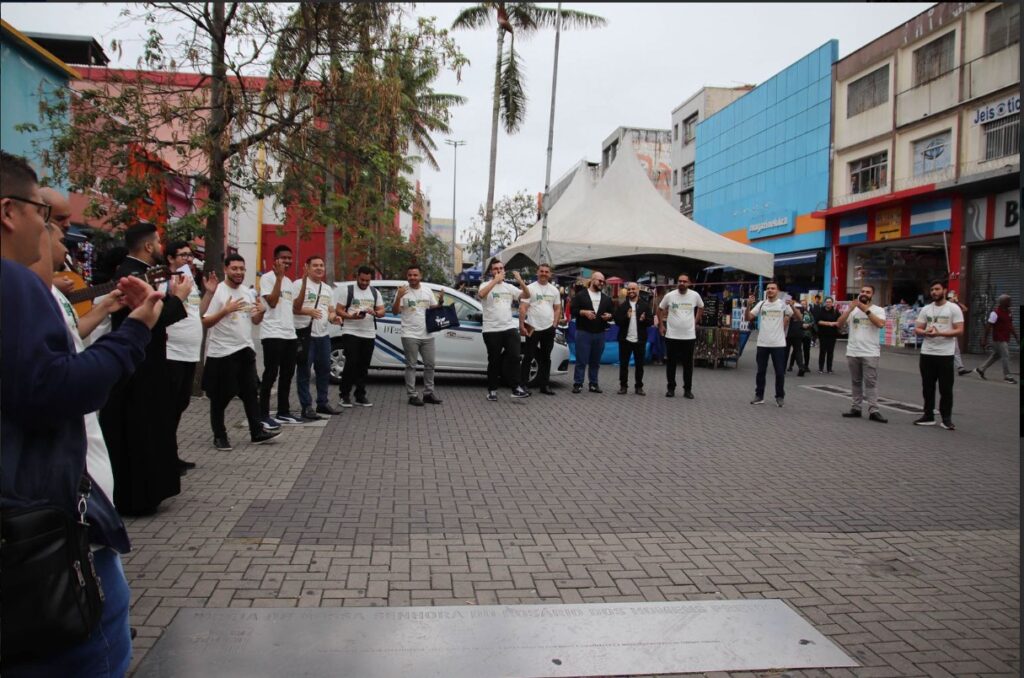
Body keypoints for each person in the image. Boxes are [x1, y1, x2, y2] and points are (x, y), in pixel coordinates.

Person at [2, 149, 162, 677]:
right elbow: (55, 388)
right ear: (9, 212)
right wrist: (136, 332)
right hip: (41, 536)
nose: (52, 231)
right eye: (43, 215)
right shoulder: (16, 283)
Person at [99, 222, 189, 516]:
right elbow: (151, 318)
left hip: (146, 362)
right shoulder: (130, 275)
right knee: (140, 430)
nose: (162, 247)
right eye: (159, 241)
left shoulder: (135, 271)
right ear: (149, 246)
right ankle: (138, 495)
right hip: (139, 366)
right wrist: (179, 298)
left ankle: (147, 491)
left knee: (150, 426)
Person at [202, 253, 281, 449]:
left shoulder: (248, 292)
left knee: (250, 393)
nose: (238, 272)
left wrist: (261, 313)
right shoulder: (218, 291)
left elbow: (254, 320)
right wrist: (225, 310)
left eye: (241, 269)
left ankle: (257, 432)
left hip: (245, 349)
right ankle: (219, 435)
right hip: (222, 352)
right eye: (234, 268)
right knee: (221, 397)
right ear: (225, 269)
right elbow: (205, 321)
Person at [164, 240, 207, 473]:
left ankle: (172, 454)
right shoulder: (165, 280)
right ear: (170, 258)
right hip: (172, 353)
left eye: (190, 256)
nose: (188, 259)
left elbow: (197, 312)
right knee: (169, 407)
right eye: (182, 255)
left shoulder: (191, 282)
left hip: (191, 353)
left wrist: (208, 292)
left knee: (181, 404)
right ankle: (166, 457)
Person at [258, 245, 302, 427]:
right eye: (283, 258)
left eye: (289, 258)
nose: (287, 261)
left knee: (287, 375)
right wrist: (278, 278)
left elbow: (292, 308)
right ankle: (263, 414)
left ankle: (283, 411)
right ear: (275, 259)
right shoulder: (267, 279)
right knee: (270, 375)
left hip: (289, 334)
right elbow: (273, 302)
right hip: (272, 334)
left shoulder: (290, 282)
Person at [293, 256, 340, 419]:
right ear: (307, 267)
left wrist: (335, 318)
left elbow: (331, 310)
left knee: (324, 370)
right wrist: (308, 312)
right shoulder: (298, 285)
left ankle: (322, 403)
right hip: (306, 336)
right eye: (315, 266)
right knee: (304, 371)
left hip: (323, 336)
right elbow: (292, 308)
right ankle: (306, 406)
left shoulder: (327, 289)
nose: (319, 268)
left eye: (321, 265)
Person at [913, 280, 964, 430]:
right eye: (932, 290)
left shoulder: (953, 308)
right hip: (927, 353)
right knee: (927, 387)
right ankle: (928, 415)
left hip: (945, 354)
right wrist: (925, 332)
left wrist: (940, 333)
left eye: (937, 289)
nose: (934, 292)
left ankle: (946, 418)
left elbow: (959, 330)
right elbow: (918, 328)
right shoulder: (926, 309)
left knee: (946, 388)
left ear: (944, 290)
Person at [477, 259, 530, 401]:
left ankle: (515, 388)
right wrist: (495, 281)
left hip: (508, 327)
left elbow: (526, 295)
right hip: (491, 329)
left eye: (501, 268)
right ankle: (492, 390)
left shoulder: (509, 287)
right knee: (494, 360)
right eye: (496, 269)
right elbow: (481, 295)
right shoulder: (485, 284)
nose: (499, 271)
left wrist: (520, 281)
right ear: (491, 272)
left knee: (515, 356)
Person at [393, 264, 443, 406]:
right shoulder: (403, 291)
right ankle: (412, 395)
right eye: (410, 275)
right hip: (409, 334)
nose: (412, 278)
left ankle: (428, 393)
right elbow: (395, 311)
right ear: (407, 276)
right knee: (411, 365)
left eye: (415, 275)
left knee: (430, 364)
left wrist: (440, 301)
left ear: (420, 276)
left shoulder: (427, 291)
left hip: (427, 334)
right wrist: (399, 297)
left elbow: (433, 307)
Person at [336, 265, 385, 408]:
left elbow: (382, 310)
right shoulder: (348, 290)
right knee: (351, 363)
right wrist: (350, 316)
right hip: (351, 331)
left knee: (364, 365)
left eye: (367, 281)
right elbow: (339, 310)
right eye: (362, 280)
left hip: (369, 333)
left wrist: (375, 313)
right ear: (357, 276)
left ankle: (360, 395)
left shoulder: (375, 292)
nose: (364, 283)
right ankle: (344, 395)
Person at [837, 285, 888, 423]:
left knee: (870, 382)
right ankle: (856, 408)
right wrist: (849, 309)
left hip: (870, 352)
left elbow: (880, 324)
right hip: (853, 351)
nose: (864, 294)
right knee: (856, 381)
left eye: (868, 292)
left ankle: (874, 410)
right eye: (862, 291)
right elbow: (839, 324)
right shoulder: (852, 311)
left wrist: (865, 309)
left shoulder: (878, 310)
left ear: (872, 295)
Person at [745, 281, 794, 406]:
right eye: (768, 288)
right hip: (762, 344)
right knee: (761, 371)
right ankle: (759, 396)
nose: (770, 290)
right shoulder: (761, 304)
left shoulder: (783, 304)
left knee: (779, 372)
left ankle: (779, 396)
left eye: (773, 288)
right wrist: (748, 306)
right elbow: (748, 317)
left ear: (777, 291)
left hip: (778, 344)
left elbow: (793, 316)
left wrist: (791, 311)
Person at [519, 263, 563, 395]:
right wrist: (522, 325)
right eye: (541, 271)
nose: (544, 273)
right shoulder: (530, 288)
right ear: (537, 273)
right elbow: (523, 308)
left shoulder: (554, 290)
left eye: (546, 272)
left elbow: (557, 308)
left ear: (550, 274)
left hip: (548, 328)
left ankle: (545, 385)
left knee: (546, 357)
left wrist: (554, 324)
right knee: (528, 357)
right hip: (532, 327)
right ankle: (523, 385)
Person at [658, 273, 704, 399]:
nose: (682, 283)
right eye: (680, 281)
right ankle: (671, 388)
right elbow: (660, 308)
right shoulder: (670, 295)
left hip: (688, 336)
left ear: (689, 283)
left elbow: (701, 307)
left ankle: (687, 390)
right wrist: (661, 325)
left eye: (684, 281)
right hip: (672, 335)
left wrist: (695, 321)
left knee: (688, 364)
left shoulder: (695, 295)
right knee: (671, 363)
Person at [570, 271, 613, 393]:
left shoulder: (606, 298)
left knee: (595, 361)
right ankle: (578, 383)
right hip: (583, 332)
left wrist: (609, 316)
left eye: (603, 281)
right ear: (593, 280)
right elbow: (573, 310)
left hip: (600, 333)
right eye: (600, 280)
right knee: (581, 360)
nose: (602, 283)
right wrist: (583, 312)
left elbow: (612, 314)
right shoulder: (581, 295)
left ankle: (593, 384)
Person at [614, 281, 656, 395]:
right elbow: (617, 321)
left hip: (640, 340)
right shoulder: (623, 305)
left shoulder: (644, 305)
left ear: (638, 290)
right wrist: (626, 317)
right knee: (624, 364)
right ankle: (623, 386)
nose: (631, 291)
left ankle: (639, 387)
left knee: (639, 365)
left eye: (633, 289)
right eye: (629, 289)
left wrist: (644, 320)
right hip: (625, 339)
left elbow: (651, 321)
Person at [975, 293, 1018, 383]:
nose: (1011, 302)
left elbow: (1010, 326)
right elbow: (988, 327)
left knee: (996, 355)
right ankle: (1007, 376)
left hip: (1005, 337)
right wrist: (984, 339)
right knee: (1005, 356)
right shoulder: (995, 313)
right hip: (998, 339)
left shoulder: (1009, 312)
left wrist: (1016, 336)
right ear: (1003, 302)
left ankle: (981, 369)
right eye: (1009, 301)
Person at [814, 296, 840, 374]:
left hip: (832, 334)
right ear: (825, 303)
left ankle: (829, 369)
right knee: (822, 351)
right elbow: (818, 321)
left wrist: (835, 323)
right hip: (823, 334)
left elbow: (839, 321)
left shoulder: (835, 311)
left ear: (832, 303)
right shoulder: (821, 310)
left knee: (830, 352)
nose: (828, 303)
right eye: (827, 302)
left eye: (830, 302)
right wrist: (829, 323)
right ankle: (820, 368)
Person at [785, 299, 809, 377]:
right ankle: (801, 367)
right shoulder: (800, 307)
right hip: (798, 331)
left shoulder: (790, 307)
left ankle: (782, 368)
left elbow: (790, 317)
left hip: (789, 331)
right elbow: (800, 317)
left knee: (785, 350)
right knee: (798, 350)